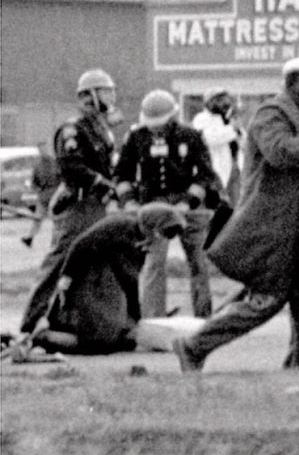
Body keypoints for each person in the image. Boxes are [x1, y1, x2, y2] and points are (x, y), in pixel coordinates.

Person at [171, 56, 299, 373]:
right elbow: (281, 153)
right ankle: (193, 346)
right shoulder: (270, 115)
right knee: (265, 302)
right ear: (291, 82)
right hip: (274, 229)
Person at [20, 69, 120, 337]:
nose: (112, 96)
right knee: (60, 261)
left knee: (102, 263)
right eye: (106, 91)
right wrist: (102, 184)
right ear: (90, 95)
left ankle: (102, 320)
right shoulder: (72, 130)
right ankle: (31, 320)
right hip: (77, 207)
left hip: (98, 207)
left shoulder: (101, 128)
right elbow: (72, 166)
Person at [115, 89, 220, 319]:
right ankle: (154, 317)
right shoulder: (136, 137)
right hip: (153, 206)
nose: (154, 128)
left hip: (187, 204)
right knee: (154, 263)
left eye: (159, 123)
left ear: (172, 117)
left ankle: (204, 317)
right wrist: (129, 202)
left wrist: (188, 202)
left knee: (198, 262)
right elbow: (122, 175)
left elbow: (205, 175)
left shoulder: (190, 136)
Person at [30, 203, 186, 355]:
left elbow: (131, 280)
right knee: (99, 343)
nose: (162, 239)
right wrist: (66, 280)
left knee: (123, 341)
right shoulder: (120, 225)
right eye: (164, 233)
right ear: (153, 224)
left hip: (108, 287)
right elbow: (80, 245)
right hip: (89, 282)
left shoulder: (141, 239)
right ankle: (43, 338)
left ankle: (60, 336)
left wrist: (136, 318)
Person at [191, 87, 243, 206]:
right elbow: (210, 139)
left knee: (236, 205)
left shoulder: (228, 118)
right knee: (219, 204)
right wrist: (232, 129)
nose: (224, 103)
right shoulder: (201, 119)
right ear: (209, 103)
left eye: (225, 100)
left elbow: (242, 140)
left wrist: (238, 130)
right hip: (215, 170)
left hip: (235, 168)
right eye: (219, 100)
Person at [20, 142, 61, 248]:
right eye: (40, 150)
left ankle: (55, 241)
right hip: (43, 196)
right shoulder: (38, 166)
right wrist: (37, 189)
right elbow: (34, 182)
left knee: (56, 219)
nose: (43, 152)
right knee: (37, 218)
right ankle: (30, 238)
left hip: (55, 195)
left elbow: (61, 178)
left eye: (44, 149)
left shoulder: (55, 163)